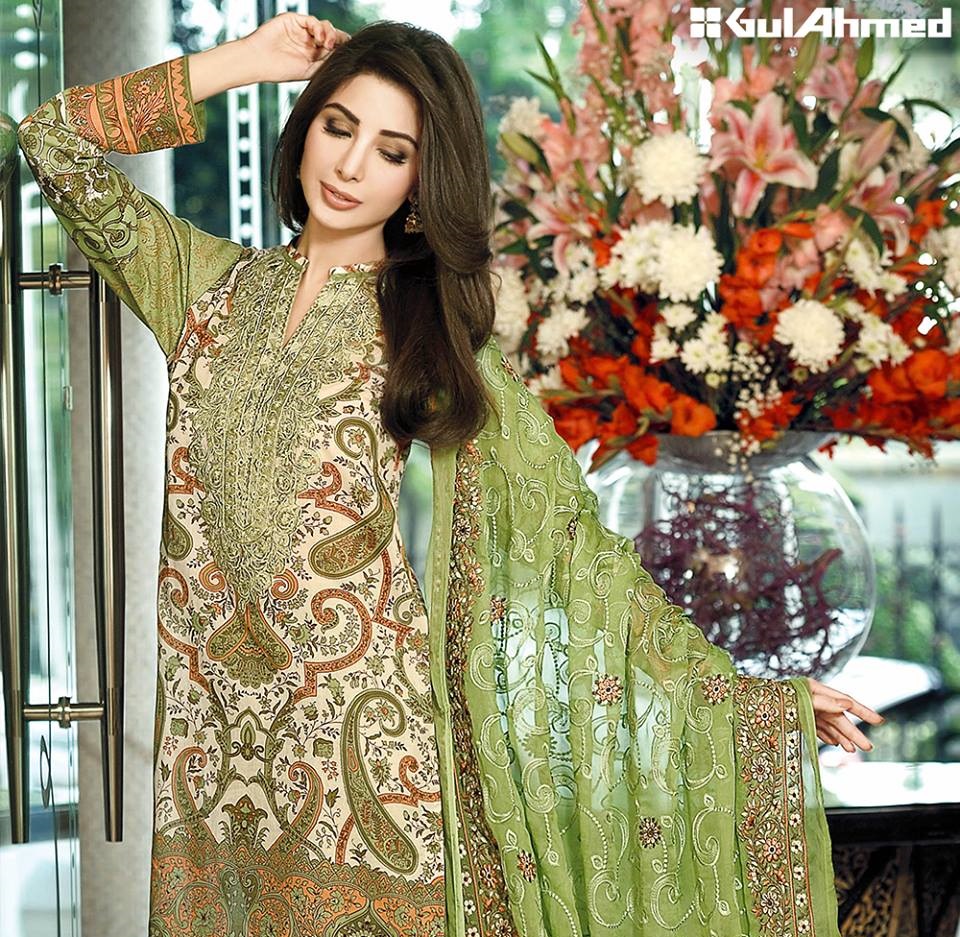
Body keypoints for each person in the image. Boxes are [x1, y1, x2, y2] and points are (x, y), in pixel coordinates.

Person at [17, 13, 884, 937]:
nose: (351, 166)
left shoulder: (426, 337)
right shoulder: (204, 289)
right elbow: (50, 141)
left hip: (371, 767)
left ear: (420, 185)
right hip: (209, 764)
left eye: (392, 151)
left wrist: (745, 699)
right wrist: (244, 61)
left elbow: (568, 544)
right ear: (304, 127)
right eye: (338, 126)